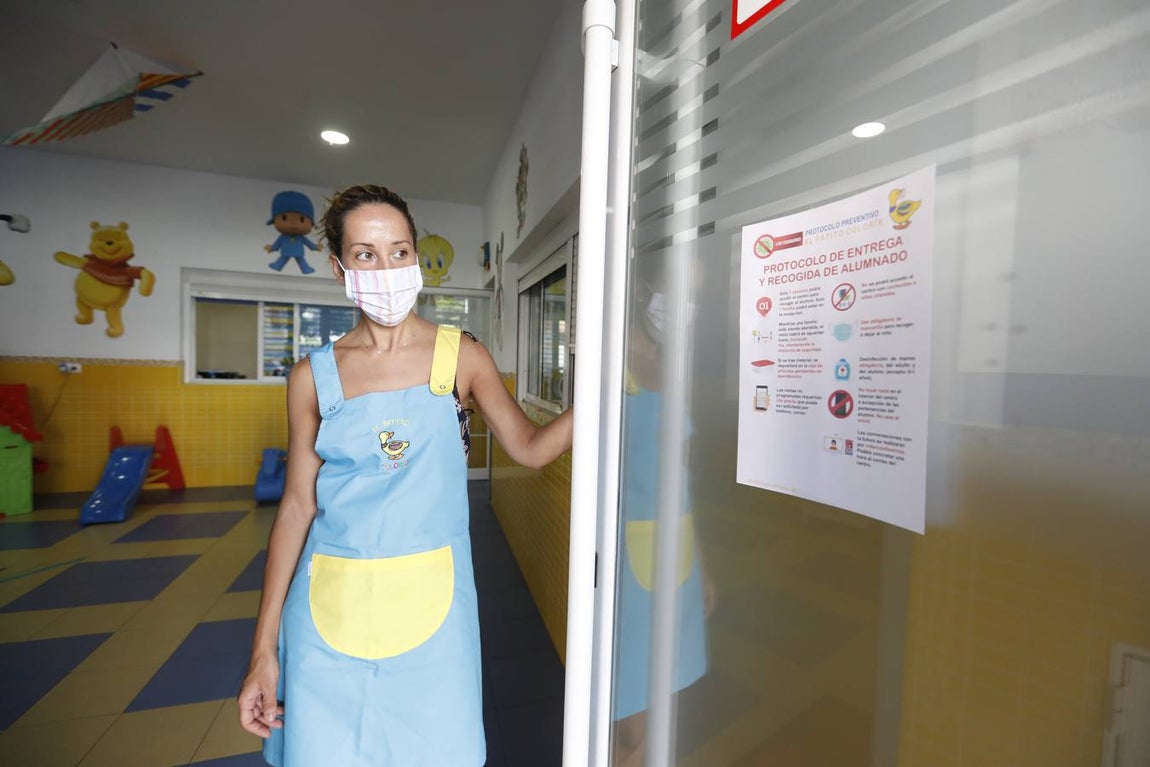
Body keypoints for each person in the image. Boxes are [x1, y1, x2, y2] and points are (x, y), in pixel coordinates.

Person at [237, 184, 573, 766]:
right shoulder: (312, 377)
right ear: (341, 266)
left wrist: (599, 392)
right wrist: (263, 650)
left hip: (435, 610)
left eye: (399, 250)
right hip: (326, 611)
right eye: (366, 254)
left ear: (416, 257)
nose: (386, 267)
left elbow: (531, 448)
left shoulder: (461, 355)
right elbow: (296, 508)